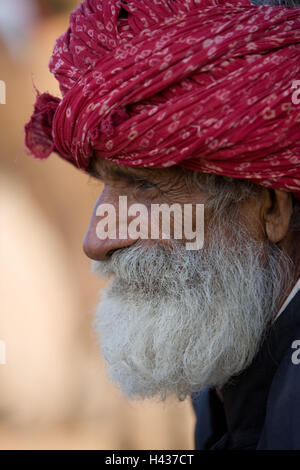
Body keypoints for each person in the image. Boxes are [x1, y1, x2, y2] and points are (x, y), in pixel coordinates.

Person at [25, 0, 300, 449]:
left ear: (270, 207)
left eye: (145, 188)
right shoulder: (231, 340)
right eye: (104, 184)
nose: (96, 240)